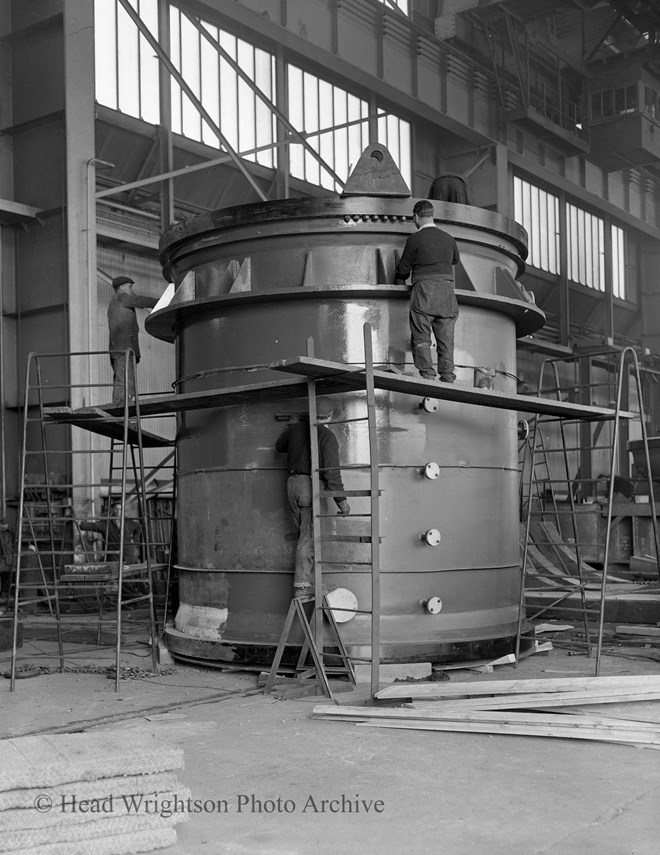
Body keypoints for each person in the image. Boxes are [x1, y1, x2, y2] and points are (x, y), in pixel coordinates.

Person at [276, 397, 350, 598]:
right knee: (308, 537)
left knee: (304, 536)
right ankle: (302, 586)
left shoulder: (294, 430)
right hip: (310, 486)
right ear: (330, 416)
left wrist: (290, 427)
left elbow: (279, 446)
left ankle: (310, 582)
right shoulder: (326, 436)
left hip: (292, 485)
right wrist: (341, 501)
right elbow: (331, 472)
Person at [395, 199, 461, 383]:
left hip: (424, 290)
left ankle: (427, 375)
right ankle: (448, 376)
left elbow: (403, 269)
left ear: (416, 217)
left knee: (422, 335)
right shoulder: (448, 238)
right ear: (432, 215)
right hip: (447, 291)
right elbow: (455, 260)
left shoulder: (415, 239)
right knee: (446, 338)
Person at [108, 275, 158, 406]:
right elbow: (139, 301)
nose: (132, 290)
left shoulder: (115, 302)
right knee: (126, 380)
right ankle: (123, 408)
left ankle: (123, 407)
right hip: (124, 349)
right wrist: (160, 302)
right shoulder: (121, 298)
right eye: (130, 287)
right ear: (122, 288)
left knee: (123, 380)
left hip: (119, 349)